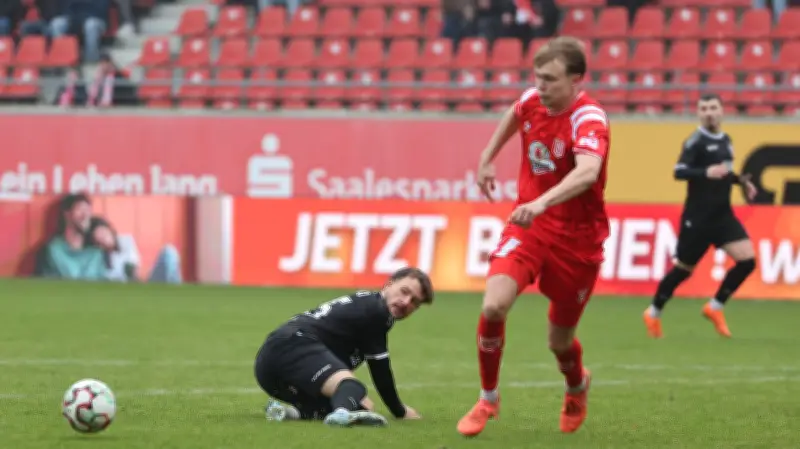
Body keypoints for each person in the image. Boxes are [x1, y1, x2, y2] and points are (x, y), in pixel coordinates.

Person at [456, 36, 612, 437]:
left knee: (559, 342)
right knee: (494, 306)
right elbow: (514, 112)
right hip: (530, 227)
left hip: (578, 241)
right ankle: (487, 399)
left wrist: (542, 202)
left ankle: (576, 386)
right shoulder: (532, 99)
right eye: (537, 77)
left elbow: (588, 172)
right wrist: (486, 157)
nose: (540, 86)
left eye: (550, 79)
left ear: (576, 80)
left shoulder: (588, 118)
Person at [254, 268, 433, 427]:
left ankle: (289, 413)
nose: (406, 302)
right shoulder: (377, 311)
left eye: (414, 302)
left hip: (268, 367)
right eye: (404, 291)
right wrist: (400, 411)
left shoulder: (369, 304)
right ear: (389, 284)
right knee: (352, 387)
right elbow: (380, 370)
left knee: (360, 404)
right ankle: (341, 415)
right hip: (294, 344)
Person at [643, 93, 758, 339]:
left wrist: (741, 181)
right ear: (698, 113)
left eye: (713, 108)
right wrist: (705, 172)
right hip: (698, 218)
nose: (709, 113)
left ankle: (714, 307)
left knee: (747, 261)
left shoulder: (726, 140)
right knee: (683, 270)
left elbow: (724, 172)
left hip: (722, 216)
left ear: (721, 111)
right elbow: (679, 171)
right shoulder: (695, 142)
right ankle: (653, 312)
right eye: (704, 109)